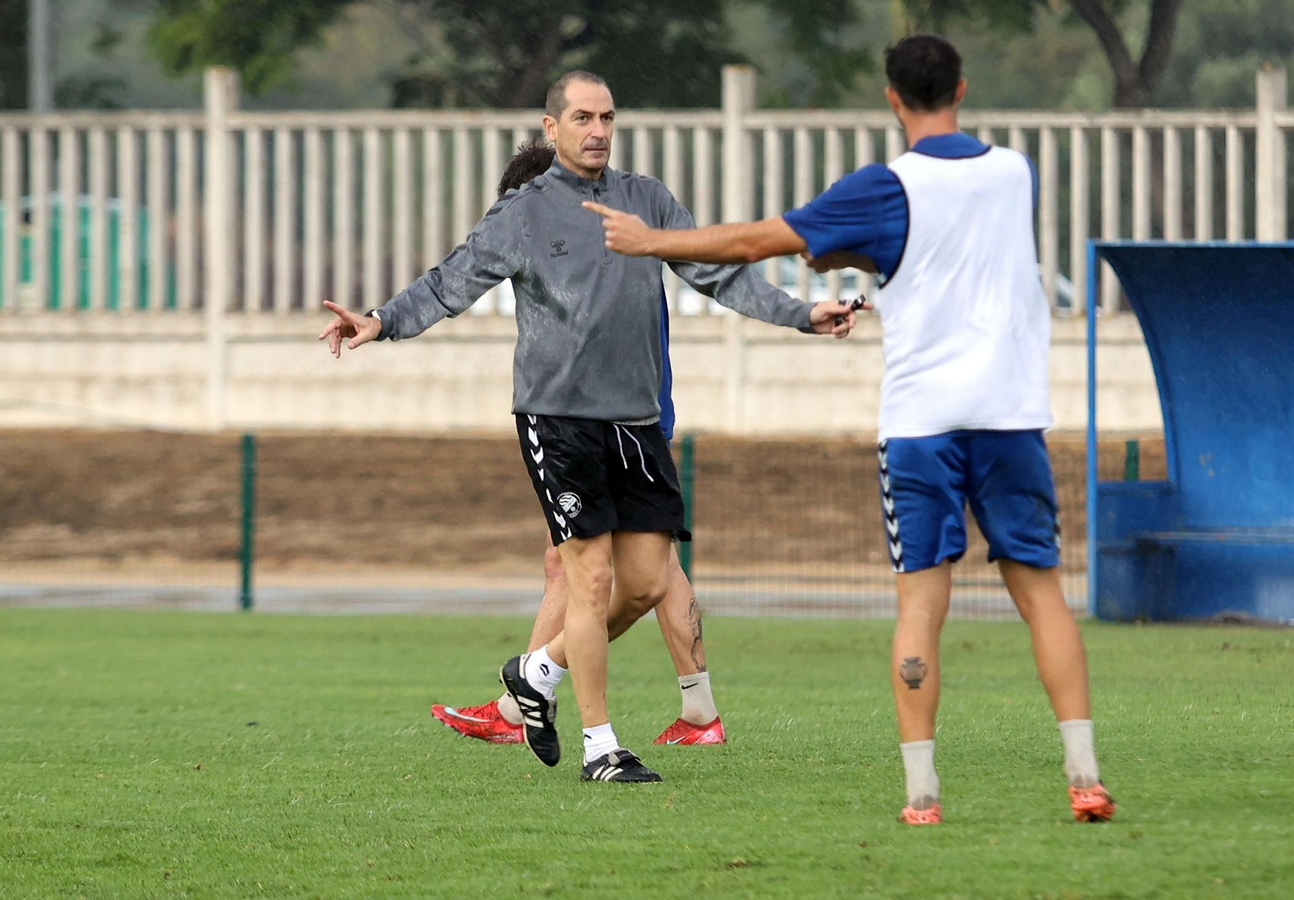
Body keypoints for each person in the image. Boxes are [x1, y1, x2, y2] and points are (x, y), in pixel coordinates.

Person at [585, 35, 1115, 824]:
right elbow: (931, 253)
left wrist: (651, 240)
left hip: (923, 426)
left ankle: (923, 797)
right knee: (1042, 595)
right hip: (1012, 416)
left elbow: (761, 240)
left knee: (921, 608)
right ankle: (1085, 777)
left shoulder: (887, 186)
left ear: (892, 99)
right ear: (962, 89)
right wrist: (860, 258)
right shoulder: (1015, 171)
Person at [320, 71, 861, 784]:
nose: (598, 130)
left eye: (607, 117)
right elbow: (451, 281)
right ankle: (600, 747)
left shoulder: (646, 199)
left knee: (645, 582)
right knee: (591, 578)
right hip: (559, 420)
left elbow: (720, 274)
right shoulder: (523, 212)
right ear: (552, 129)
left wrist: (802, 313)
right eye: (582, 117)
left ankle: (536, 673)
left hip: (637, 422)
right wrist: (381, 320)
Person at [426, 140, 725, 749]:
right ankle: (699, 712)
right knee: (652, 570)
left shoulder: (598, 240)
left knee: (583, 567)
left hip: (616, 414)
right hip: (634, 409)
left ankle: (523, 699)